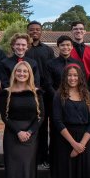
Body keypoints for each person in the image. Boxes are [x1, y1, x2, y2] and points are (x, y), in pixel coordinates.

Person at [0, 61, 43, 178]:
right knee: (14, 171)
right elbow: (5, 116)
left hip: (31, 136)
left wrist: (29, 132)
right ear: (14, 73)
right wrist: (18, 131)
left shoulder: (37, 92)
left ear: (29, 73)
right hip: (13, 135)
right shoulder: (6, 93)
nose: (22, 74)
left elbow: (41, 117)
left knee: (28, 171)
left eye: (25, 71)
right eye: (19, 71)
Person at [26, 21, 55, 169]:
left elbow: (51, 71)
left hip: (47, 93)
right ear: (27, 31)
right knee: (35, 125)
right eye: (32, 30)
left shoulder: (48, 51)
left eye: (37, 30)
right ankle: (35, 157)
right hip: (30, 94)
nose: (34, 32)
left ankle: (46, 156)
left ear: (41, 32)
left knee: (48, 125)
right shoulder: (24, 49)